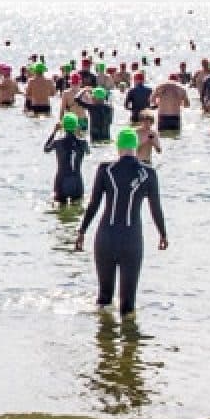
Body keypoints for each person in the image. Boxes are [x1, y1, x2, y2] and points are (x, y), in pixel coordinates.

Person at [75, 129, 169, 316]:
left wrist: (82, 231)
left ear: (118, 147)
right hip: (131, 241)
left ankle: (104, 340)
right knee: (128, 305)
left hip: (105, 238)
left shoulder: (105, 170)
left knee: (104, 298)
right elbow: (155, 208)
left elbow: (94, 204)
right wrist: (162, 234)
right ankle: (129, 342)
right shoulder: (148, 173)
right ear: (135, 147)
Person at [45, 114, 89, 204]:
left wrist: (54, 132)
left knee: (60, 212)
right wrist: (80, 133)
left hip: (62, 181)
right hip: (77, 182)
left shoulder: (58, 142)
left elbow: (46, 149)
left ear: (63, 127)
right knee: (77, 211)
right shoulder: (83, 143)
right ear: (76, 126)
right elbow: (88, 152)